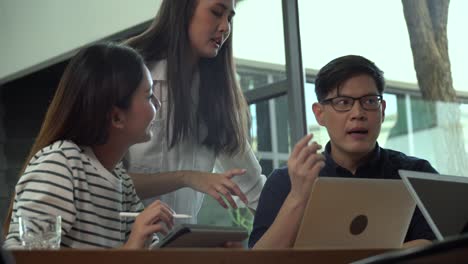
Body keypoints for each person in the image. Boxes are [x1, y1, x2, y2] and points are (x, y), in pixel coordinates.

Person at [249, 55, 437, 249]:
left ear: (382, 110)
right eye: (343, 103)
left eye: (370, 101)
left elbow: (441, 246)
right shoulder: (286, 181)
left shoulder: (417, 174)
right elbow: (258, 261)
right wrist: (297, 197)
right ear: (319, 114)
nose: (358, 113)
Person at [4, 42, 174, 249]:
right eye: (148, 96)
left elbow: (147, 253)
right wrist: (130, 250)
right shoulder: (60, 166)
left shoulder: (121, 181)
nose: (157, 104)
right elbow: (25, 259)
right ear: (117, 117)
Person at [124, 0, 266, 222]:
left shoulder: (216, 96)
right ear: (183, 9)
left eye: (229, 18)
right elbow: (100, 181)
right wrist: (186, 178)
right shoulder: (129, 73)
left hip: (180, 249)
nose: (225, 27)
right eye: (216, 12)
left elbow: (253, 189)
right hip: (122, 248)